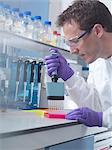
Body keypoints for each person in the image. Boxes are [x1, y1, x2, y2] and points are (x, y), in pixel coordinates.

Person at [44, 0, 112, 129]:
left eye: (75, 41)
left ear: (97, 31)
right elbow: (97, 106)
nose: (72, 50)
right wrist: (69, 76)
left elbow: (102, 115)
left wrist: (103, 118)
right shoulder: (98, 62)